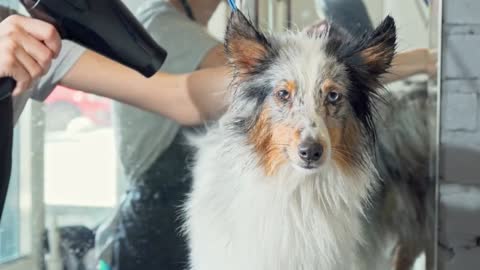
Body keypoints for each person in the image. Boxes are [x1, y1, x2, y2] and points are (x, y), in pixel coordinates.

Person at [1, 3, 435, 270]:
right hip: (151, 219)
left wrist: (303, 65)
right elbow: (225, 84)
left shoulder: (25, 38)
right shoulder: (160, 23)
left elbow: (183, 95)